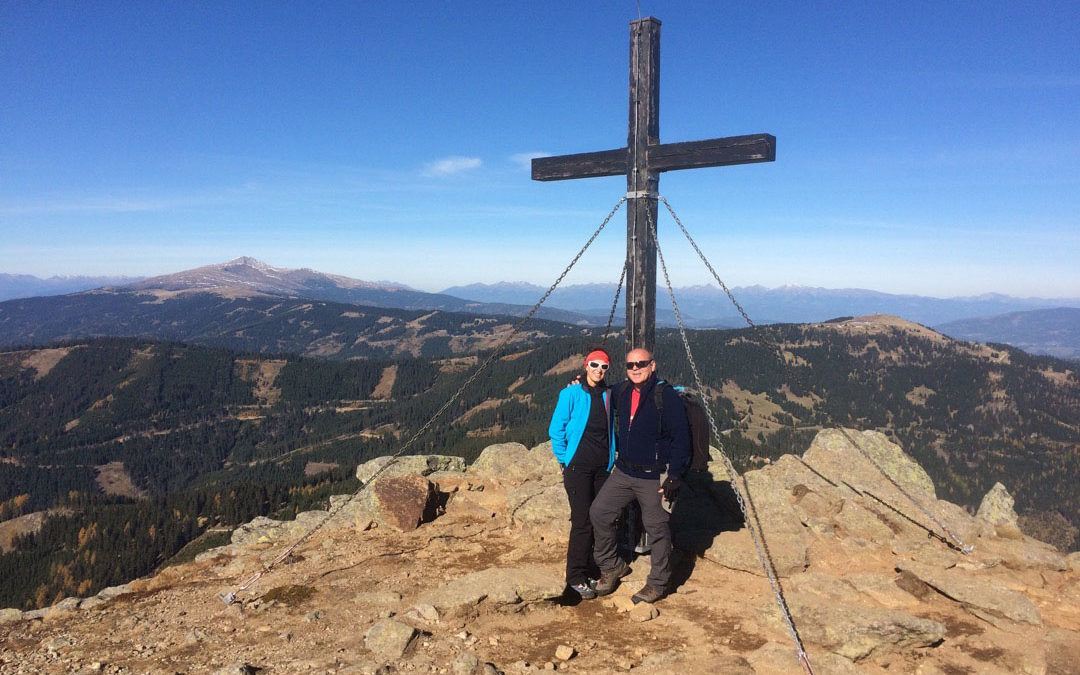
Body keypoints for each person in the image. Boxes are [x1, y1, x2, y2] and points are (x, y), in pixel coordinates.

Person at [589, 347, 690, 604]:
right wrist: (583, 381)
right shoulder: (621, 391)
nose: (635, 368)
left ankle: (658, 583)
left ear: (652, 365)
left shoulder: (665, 397)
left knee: (657, 528)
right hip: (624, 471)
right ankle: (612, 566)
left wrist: (674, 475)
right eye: (630, 365)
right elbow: (600, 390)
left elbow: (681, 439)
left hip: (653, 475)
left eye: (641, 364)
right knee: (599, 512)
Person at [548, 347, 616, 600]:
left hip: (602, 468)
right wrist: (564, 458)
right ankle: (575, 576)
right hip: (577, 467)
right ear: (586, 366)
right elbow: (556, 428)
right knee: (582, 522)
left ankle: (592, 567)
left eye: (604, 366)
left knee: (600, 519)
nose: (599, 370)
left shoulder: (609, 394)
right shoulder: (571, 393)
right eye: (595, 365)